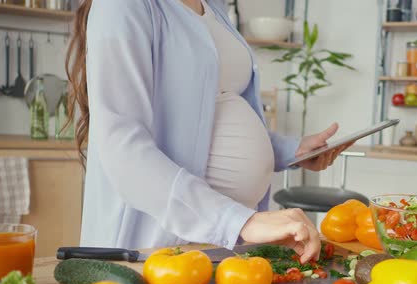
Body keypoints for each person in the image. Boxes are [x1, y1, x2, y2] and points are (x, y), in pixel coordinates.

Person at [66, 0, 351, 264]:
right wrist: (239, 221)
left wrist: (291, 150)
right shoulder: (123, 5)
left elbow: (205, 114)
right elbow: (123, 149)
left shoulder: (212, 5)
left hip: (220, 245)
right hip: (155, 246)